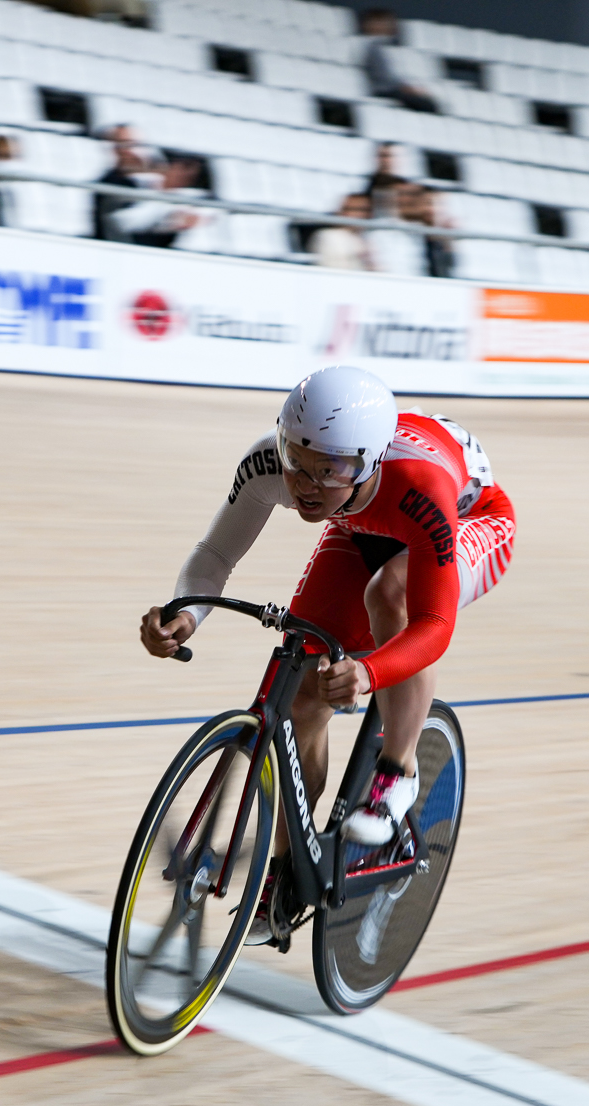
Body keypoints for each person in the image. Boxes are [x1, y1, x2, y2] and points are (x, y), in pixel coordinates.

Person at [139, 367, 515, 945]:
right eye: (296, 458)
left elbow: (434, 626)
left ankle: (398, 772)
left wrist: (369, 671)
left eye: (328, 469)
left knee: (389, 594)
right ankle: (285, 870)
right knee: (303, 688)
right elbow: (216, 551)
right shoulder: (273, 464)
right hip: (364, 520)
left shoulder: (418, 484)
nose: (305, 485)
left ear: (364, 463)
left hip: (467, 519)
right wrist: (186, 614)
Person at [359, 8, 436, 115]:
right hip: (383, 91)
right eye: (382, 22)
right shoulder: (372, 47)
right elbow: (381, 76)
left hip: (392, 89)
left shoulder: (384, 47)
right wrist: (403, 88)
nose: (388, 26)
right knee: (426, 104)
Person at [311, 193, 374, 270]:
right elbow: (336, 269)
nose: (360, 214)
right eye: (354, 209)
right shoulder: (328, 236)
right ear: (342, 211)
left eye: (365, 210)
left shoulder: (371, 238)